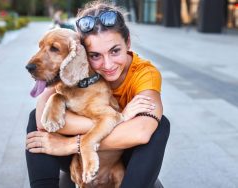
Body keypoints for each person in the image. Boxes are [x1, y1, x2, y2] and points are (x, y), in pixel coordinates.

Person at [25, 1, 170, 188]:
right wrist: (119, 119)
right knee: (44, 111)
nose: (107, 65)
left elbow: (141, 132)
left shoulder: (144, 73)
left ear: (127, 43)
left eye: (115, 51)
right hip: (78, 161)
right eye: (95, 55)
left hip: (121, 158)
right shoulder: (77, 71)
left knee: (160, 125)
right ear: (83, 55)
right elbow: (41, 122)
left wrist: (71, 144)